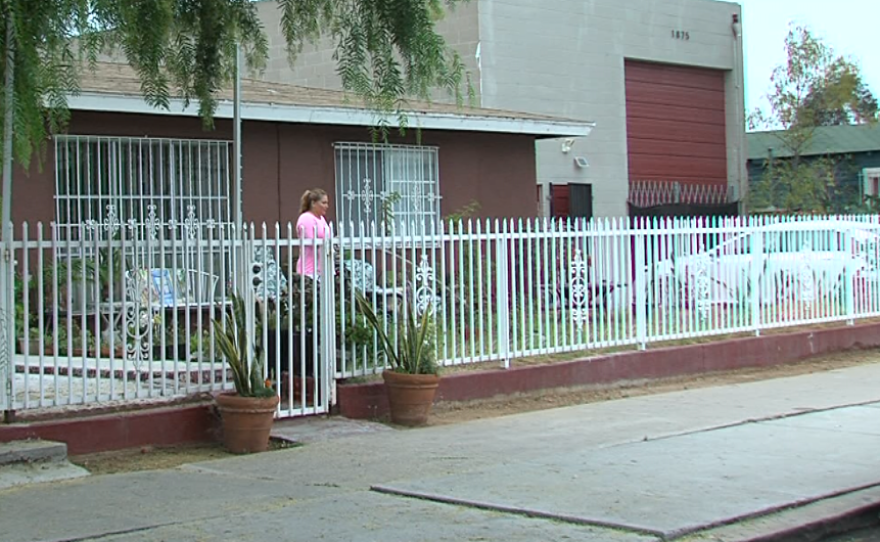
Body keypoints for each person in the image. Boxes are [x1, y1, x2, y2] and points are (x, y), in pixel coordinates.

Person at [295, 188, 331, 277]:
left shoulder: (322, 219)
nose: (327, 206)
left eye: (327, 203)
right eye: (323, 203)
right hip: (309, 270)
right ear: (313, 203)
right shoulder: (306, 218)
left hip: (323, 269)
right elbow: (312, 242)